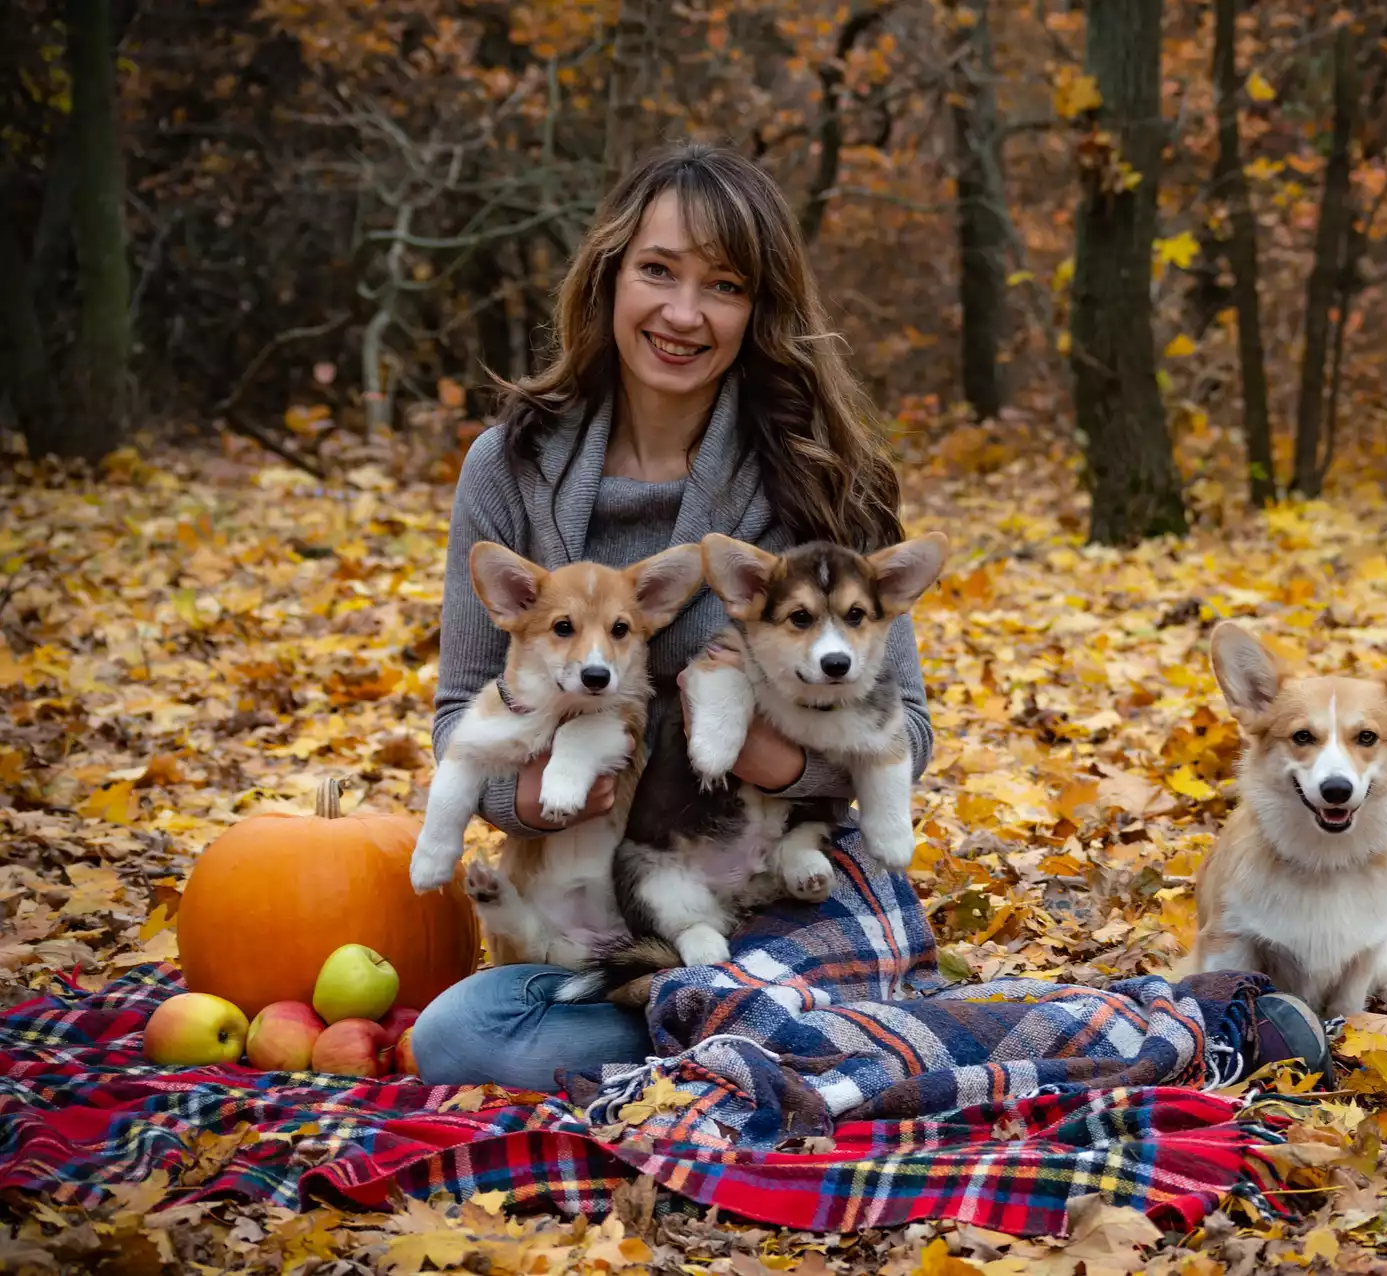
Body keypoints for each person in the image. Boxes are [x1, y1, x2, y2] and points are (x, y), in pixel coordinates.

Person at [408, 142, 1330, 1095]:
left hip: (788, 883)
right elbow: (457, 716)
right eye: (657, 271)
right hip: (606, 900)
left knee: (722, 1023)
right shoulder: (508, 469)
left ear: (758, 311)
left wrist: (789, 764)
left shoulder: (814, 473)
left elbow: (911, 728)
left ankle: (1198, 1020)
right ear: (608, 276)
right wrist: (528, 801)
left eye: (722, 286)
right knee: (467, 1041)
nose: (683, 314)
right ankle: (839, 1041)